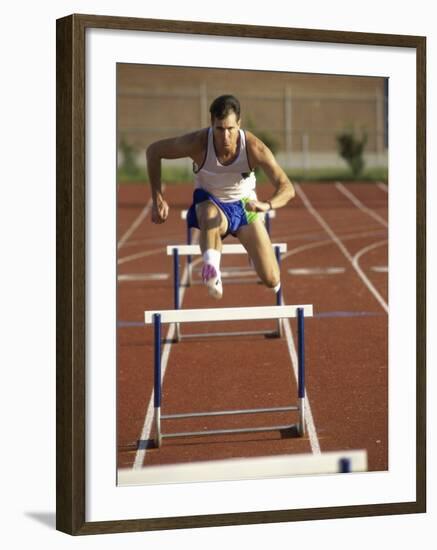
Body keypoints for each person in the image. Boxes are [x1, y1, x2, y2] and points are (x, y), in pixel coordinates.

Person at [146, 94, 295, 299]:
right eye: (220, 129)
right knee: (209, 214)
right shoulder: (198, 143)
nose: (225, 137)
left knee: (271, 279)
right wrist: (158, 198)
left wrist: (266, 205)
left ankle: (253, 256)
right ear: (211, 124)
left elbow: (287, 188)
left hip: (245, 206)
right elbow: (154, 151)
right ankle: (212, 271)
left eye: (231, 129)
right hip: (211, 201)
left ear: (239, 125)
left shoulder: (254, 148)